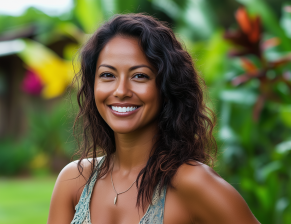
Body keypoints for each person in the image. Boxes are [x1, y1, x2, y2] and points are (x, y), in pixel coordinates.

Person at [47, 13, 260, 224]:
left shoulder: (192, 183)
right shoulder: (74, 181)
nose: (121, 91)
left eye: (139, 76)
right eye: (108, 75)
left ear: (166, 87)